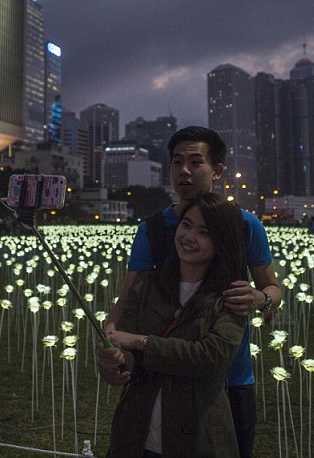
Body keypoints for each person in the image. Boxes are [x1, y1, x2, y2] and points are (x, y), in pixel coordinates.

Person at [100, 126, 282, 458]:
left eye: (195, 162)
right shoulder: (153, 229)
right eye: (176, 162)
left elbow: (272, 286)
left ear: (217, 170)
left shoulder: (245, 225)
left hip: (229, 376)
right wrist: (110, 342)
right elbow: (127, 298)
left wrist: (260, 298)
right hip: (159, 373)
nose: (184, 171)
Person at [103, 193, 247, 457]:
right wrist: (113, 363)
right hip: (135, 434)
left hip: (198, 437)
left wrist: (140, 342)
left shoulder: (231, 297)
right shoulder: (146, 284)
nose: (189, 237)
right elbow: (125, 353)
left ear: (221, 241)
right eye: (186, 225)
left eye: (204, 232)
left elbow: (210, 358)